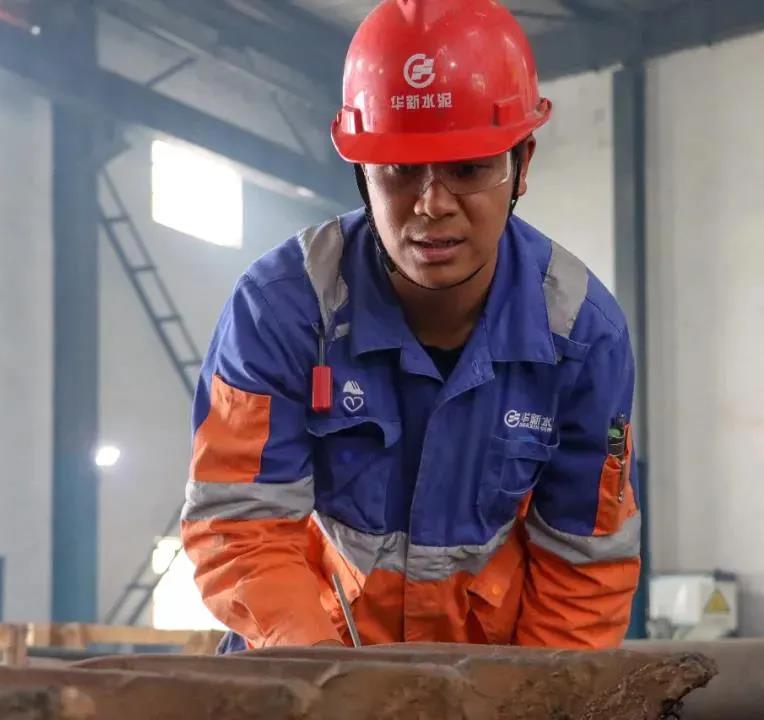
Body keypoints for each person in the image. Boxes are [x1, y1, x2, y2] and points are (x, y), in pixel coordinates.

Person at [181, 0, 640, 652]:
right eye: (399, 169)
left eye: (469, 168)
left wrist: (535, 698)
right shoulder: (282, 308)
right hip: (303, 656)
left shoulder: (583, 337)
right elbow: (241, 525)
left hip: (490, 681)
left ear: (523, 164)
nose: (432, 206)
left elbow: (582, 567)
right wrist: (322, 682)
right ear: (361, 172)